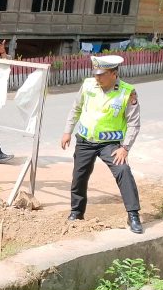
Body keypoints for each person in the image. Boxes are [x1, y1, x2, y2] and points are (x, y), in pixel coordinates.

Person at [61, 55, 143, 234]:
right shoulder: (88, 85)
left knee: (123, 170)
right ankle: (76, 212)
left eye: (101, 74)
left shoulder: (127, 92)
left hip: (110, 144)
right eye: (95, 73)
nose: (97, 77)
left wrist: (125, 148)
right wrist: (67, 131)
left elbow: (134, 123)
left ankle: (133, 215)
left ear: (114, 73)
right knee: (79, 176)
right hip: (85, 141)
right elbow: (76, 108)